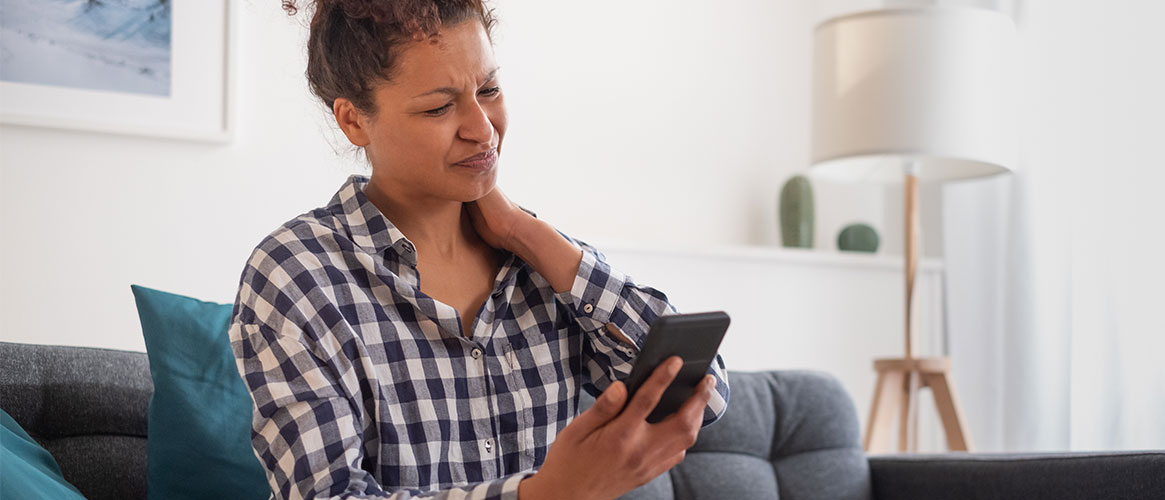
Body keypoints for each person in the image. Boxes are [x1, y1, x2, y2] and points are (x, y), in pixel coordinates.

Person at [228, 1, 730, 499]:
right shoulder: (296, 275)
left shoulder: (538, 262)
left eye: (488, 89)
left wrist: (523, 232)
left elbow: (701, 395)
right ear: (354, 120)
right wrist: (544, 494)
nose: (483, 128)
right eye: (440, 107)